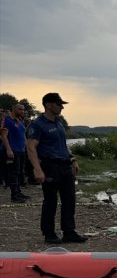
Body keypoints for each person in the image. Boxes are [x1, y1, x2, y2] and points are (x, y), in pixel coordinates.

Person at [26, 93, 88, 243]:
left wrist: (72, 159)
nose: (61, 107)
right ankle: (49, 233)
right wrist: (37, 169)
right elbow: (31, 148)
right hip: (50, 166)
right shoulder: (38, 124)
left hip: (65, 165)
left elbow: (63, 145)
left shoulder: (58, 122)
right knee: (51, 201)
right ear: (48, 105)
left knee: (69, 199)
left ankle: (69, 231)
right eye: (58, 104)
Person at [2, 103, 29, 203]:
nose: (22, 111)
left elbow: (24, 137)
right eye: (20, 109)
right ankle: (14, 195)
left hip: (21, 150)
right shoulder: (8, 120)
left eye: (23, 110)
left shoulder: (21, 121)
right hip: (12, 151)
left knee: (19, 172)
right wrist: (8, 149)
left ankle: (18, 192)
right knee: (13, 173)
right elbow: (4, 136)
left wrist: (28, 149)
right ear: (13, 109)